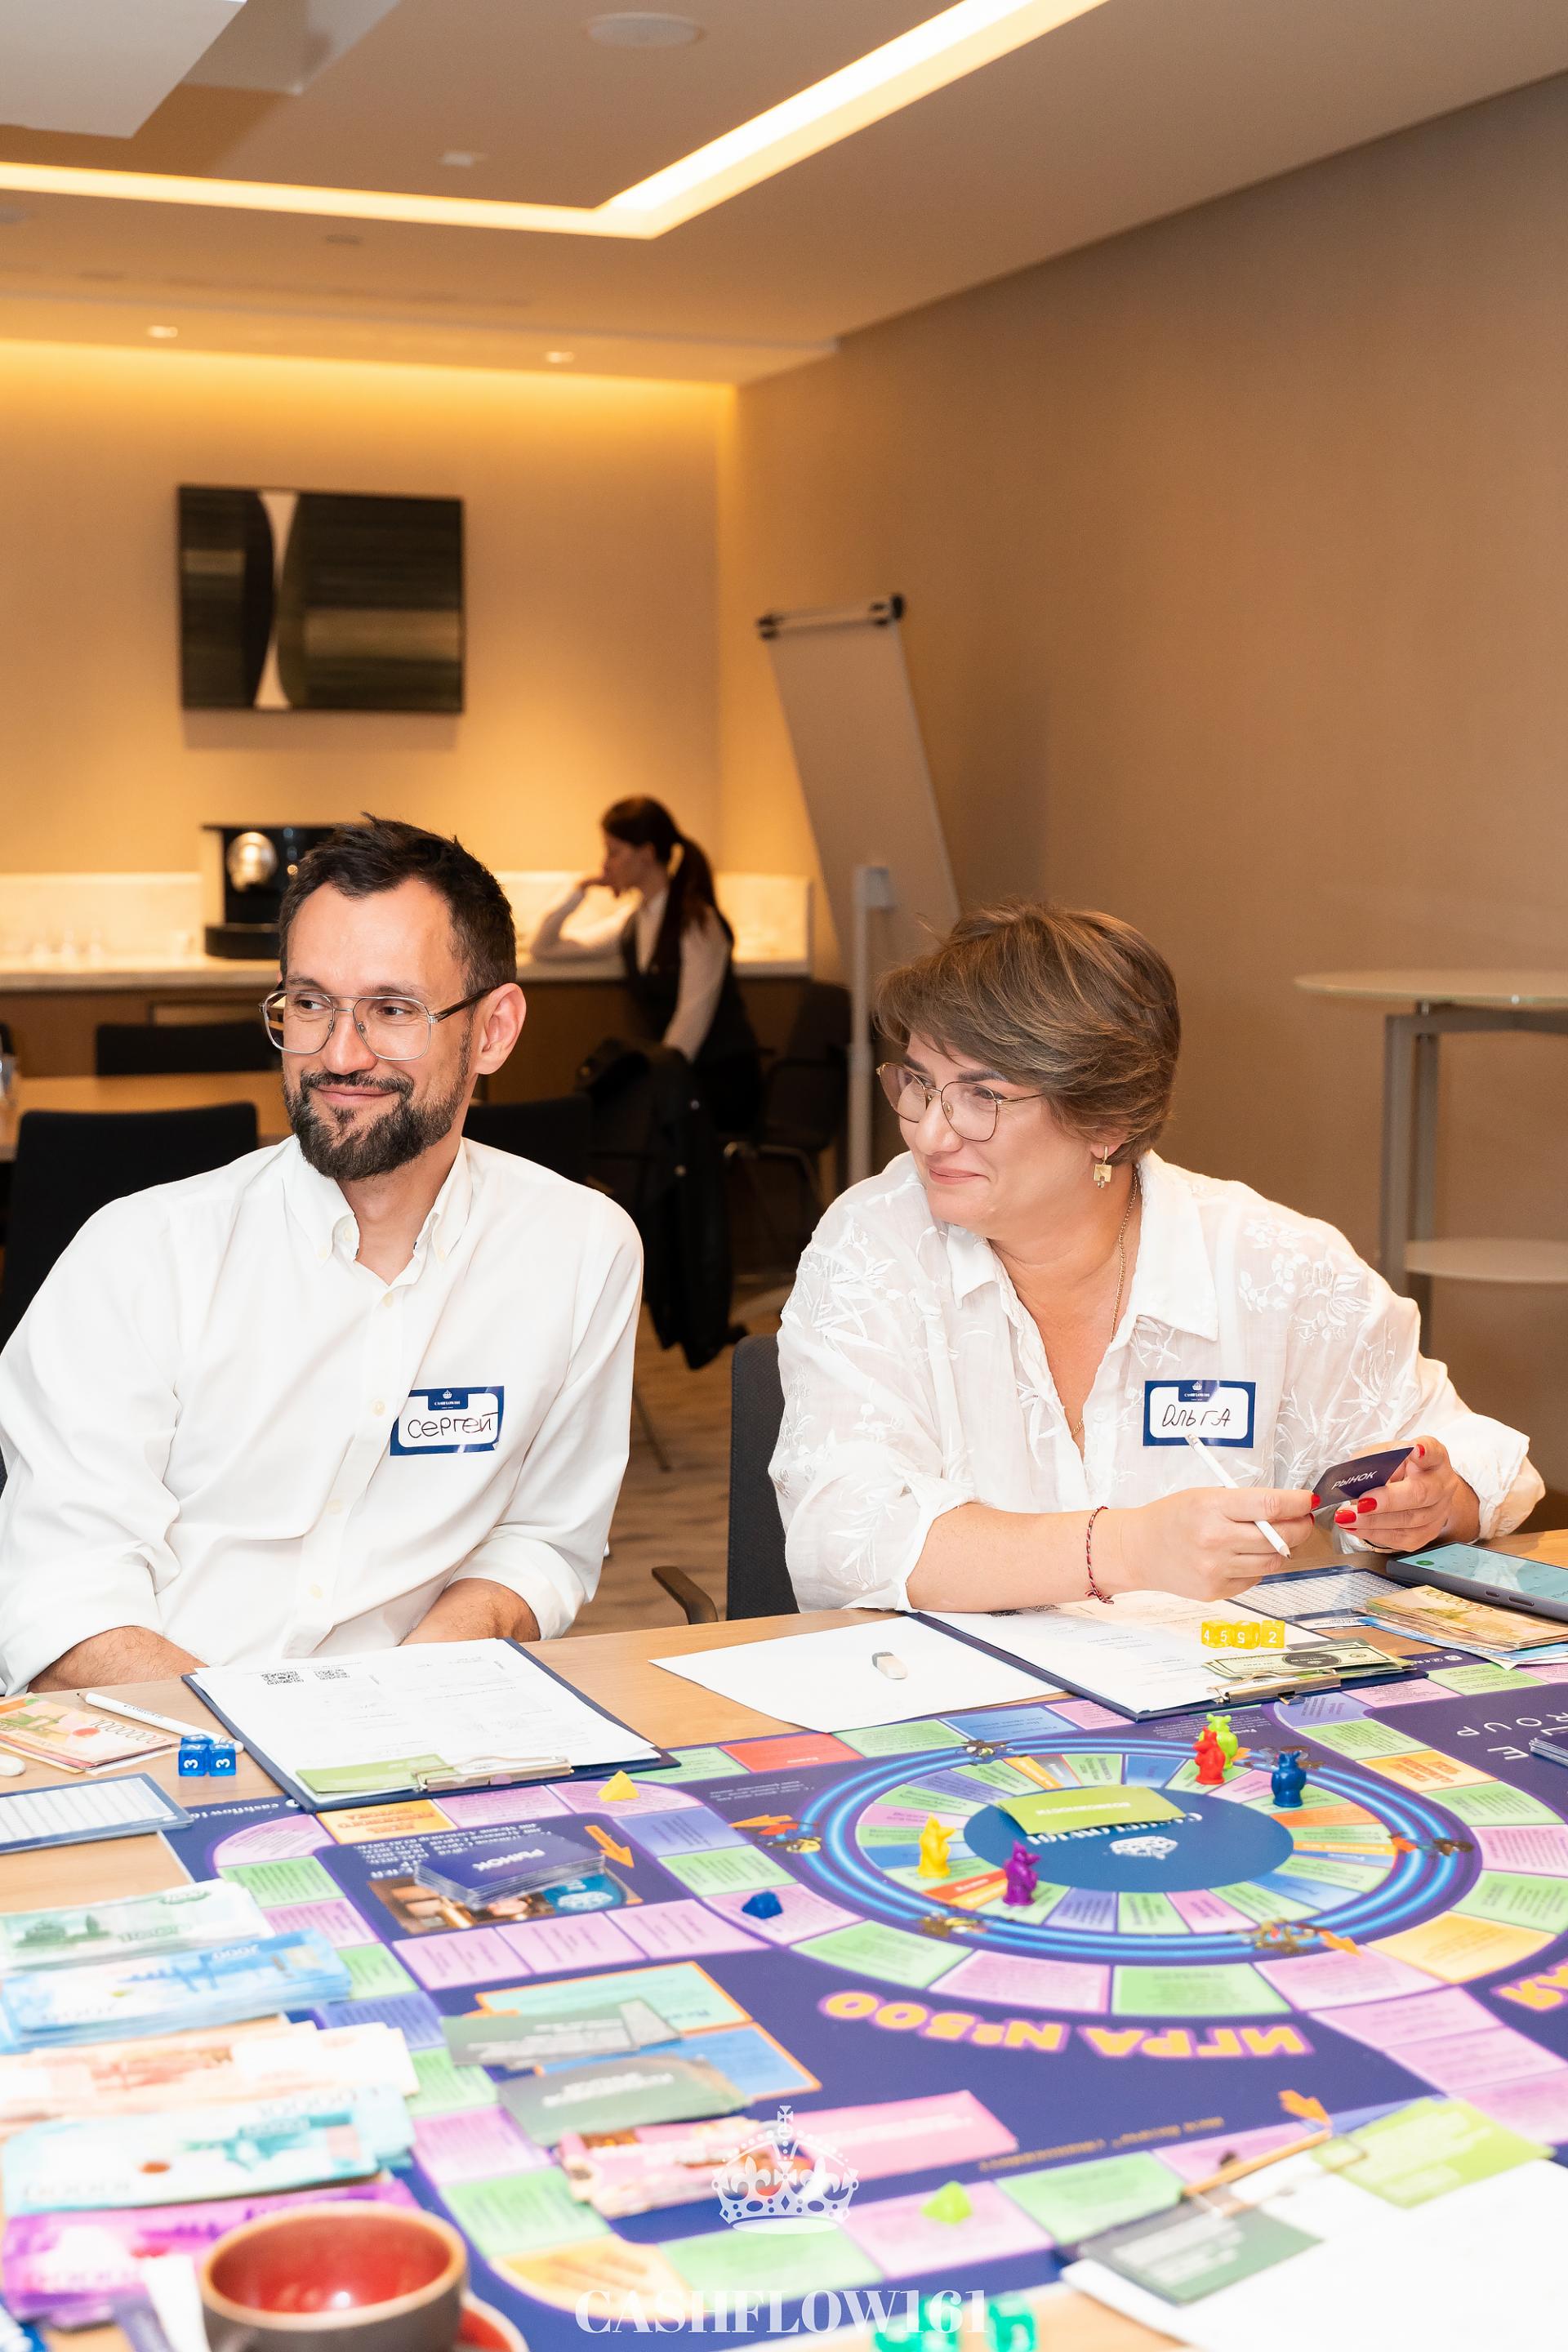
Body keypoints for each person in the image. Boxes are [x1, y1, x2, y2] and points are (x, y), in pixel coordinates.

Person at [0, 817, 642, 1694]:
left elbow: (543, 1541)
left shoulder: (580, 1249)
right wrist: (269, 1739)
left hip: (420, 1730)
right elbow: (62, 1599)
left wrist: (411, 1692)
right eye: (309, 1004)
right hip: (160, 1730)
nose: (340, 1055)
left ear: (494, 1030)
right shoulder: (140, 1256)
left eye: (393, 1010)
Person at [772, 902, 1542, 1614]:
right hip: (948, 1696)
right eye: (920, 1084)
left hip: (1214, 1693)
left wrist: (1433, 1504)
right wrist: (1128, 1548)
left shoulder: (1274, 1266)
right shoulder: (876, 1241)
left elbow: (1472, 1460)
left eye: (982, 1097)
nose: (930, 1134)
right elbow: (843, 1538)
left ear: (1107, 1120)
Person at [530, 797, 763, 1135]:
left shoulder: (697, 922)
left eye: (614, 852)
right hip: (676, 1075)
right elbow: (545, 948)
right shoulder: (636, 920)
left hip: (718, 1081)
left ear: (647, 854)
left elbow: (689, 1028)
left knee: (615, 1114)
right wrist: (580, 890)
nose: (605, 864)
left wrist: (648, 1091)